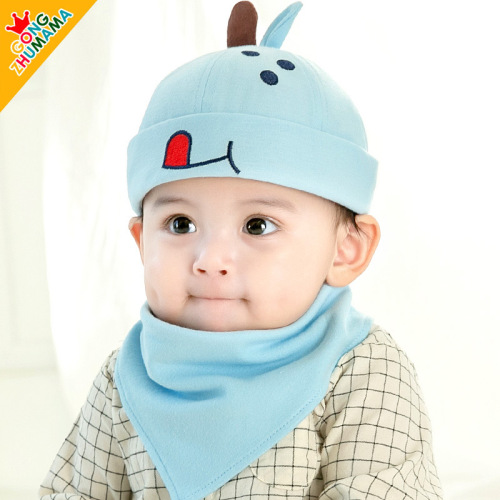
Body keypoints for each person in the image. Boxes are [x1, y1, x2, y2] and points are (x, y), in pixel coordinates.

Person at [39, 2, 442, 499]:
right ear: (142, 243)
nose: (210, 259)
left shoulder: (361, 371)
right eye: (180, 224)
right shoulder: (127, 376)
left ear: (346, 250)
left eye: (258, 225)